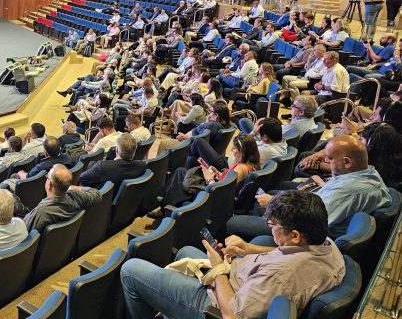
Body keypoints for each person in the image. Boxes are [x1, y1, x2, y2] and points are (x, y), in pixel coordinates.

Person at [121, 190, 345, 319]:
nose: (269, 229)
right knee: (184, 252)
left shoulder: (280, 276)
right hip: (241, 282)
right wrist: (250, 249)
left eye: (272, 225)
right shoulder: (325, 243)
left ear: (295, 235)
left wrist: (219, 269)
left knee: (131, 270)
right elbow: (289, 255)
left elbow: (232, 315)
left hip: (217, 306)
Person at [228, 136, 391, 240]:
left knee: (234, 223)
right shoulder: (369, 172)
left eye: (329, 159)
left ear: (347, 162)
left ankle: (269, 238)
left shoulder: (347, 191)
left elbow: (310, 222)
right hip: (314, 209)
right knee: (267, 200)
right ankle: (268, 226)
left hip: (305, 233)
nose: (325, 162)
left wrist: (274, 203)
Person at [23, 164, 101, 233]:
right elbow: (97, 194)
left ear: (49, 184)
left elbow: (24, 234)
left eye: (47, 177)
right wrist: (73, 187)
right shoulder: (76, 197)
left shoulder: (41, 212)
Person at [78, 133, 146, 188]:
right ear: (134, 151)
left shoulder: (103, 166)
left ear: (117, 150)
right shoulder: (141, 165)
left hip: (101, 198)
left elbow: (81, 179)